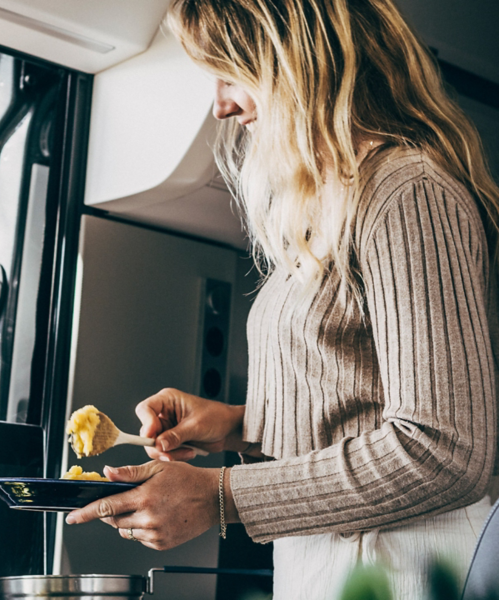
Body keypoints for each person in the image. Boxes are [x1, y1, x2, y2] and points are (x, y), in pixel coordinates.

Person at [65, 0, 499, 598]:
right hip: (330, 567)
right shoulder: (329, 208)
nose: (220, 104)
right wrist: (243, 425)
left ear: (296, 59)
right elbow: (360, 401)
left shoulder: (407, 193)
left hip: (409, 566)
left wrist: (220, 496)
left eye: (230, 71)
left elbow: (443, 448)